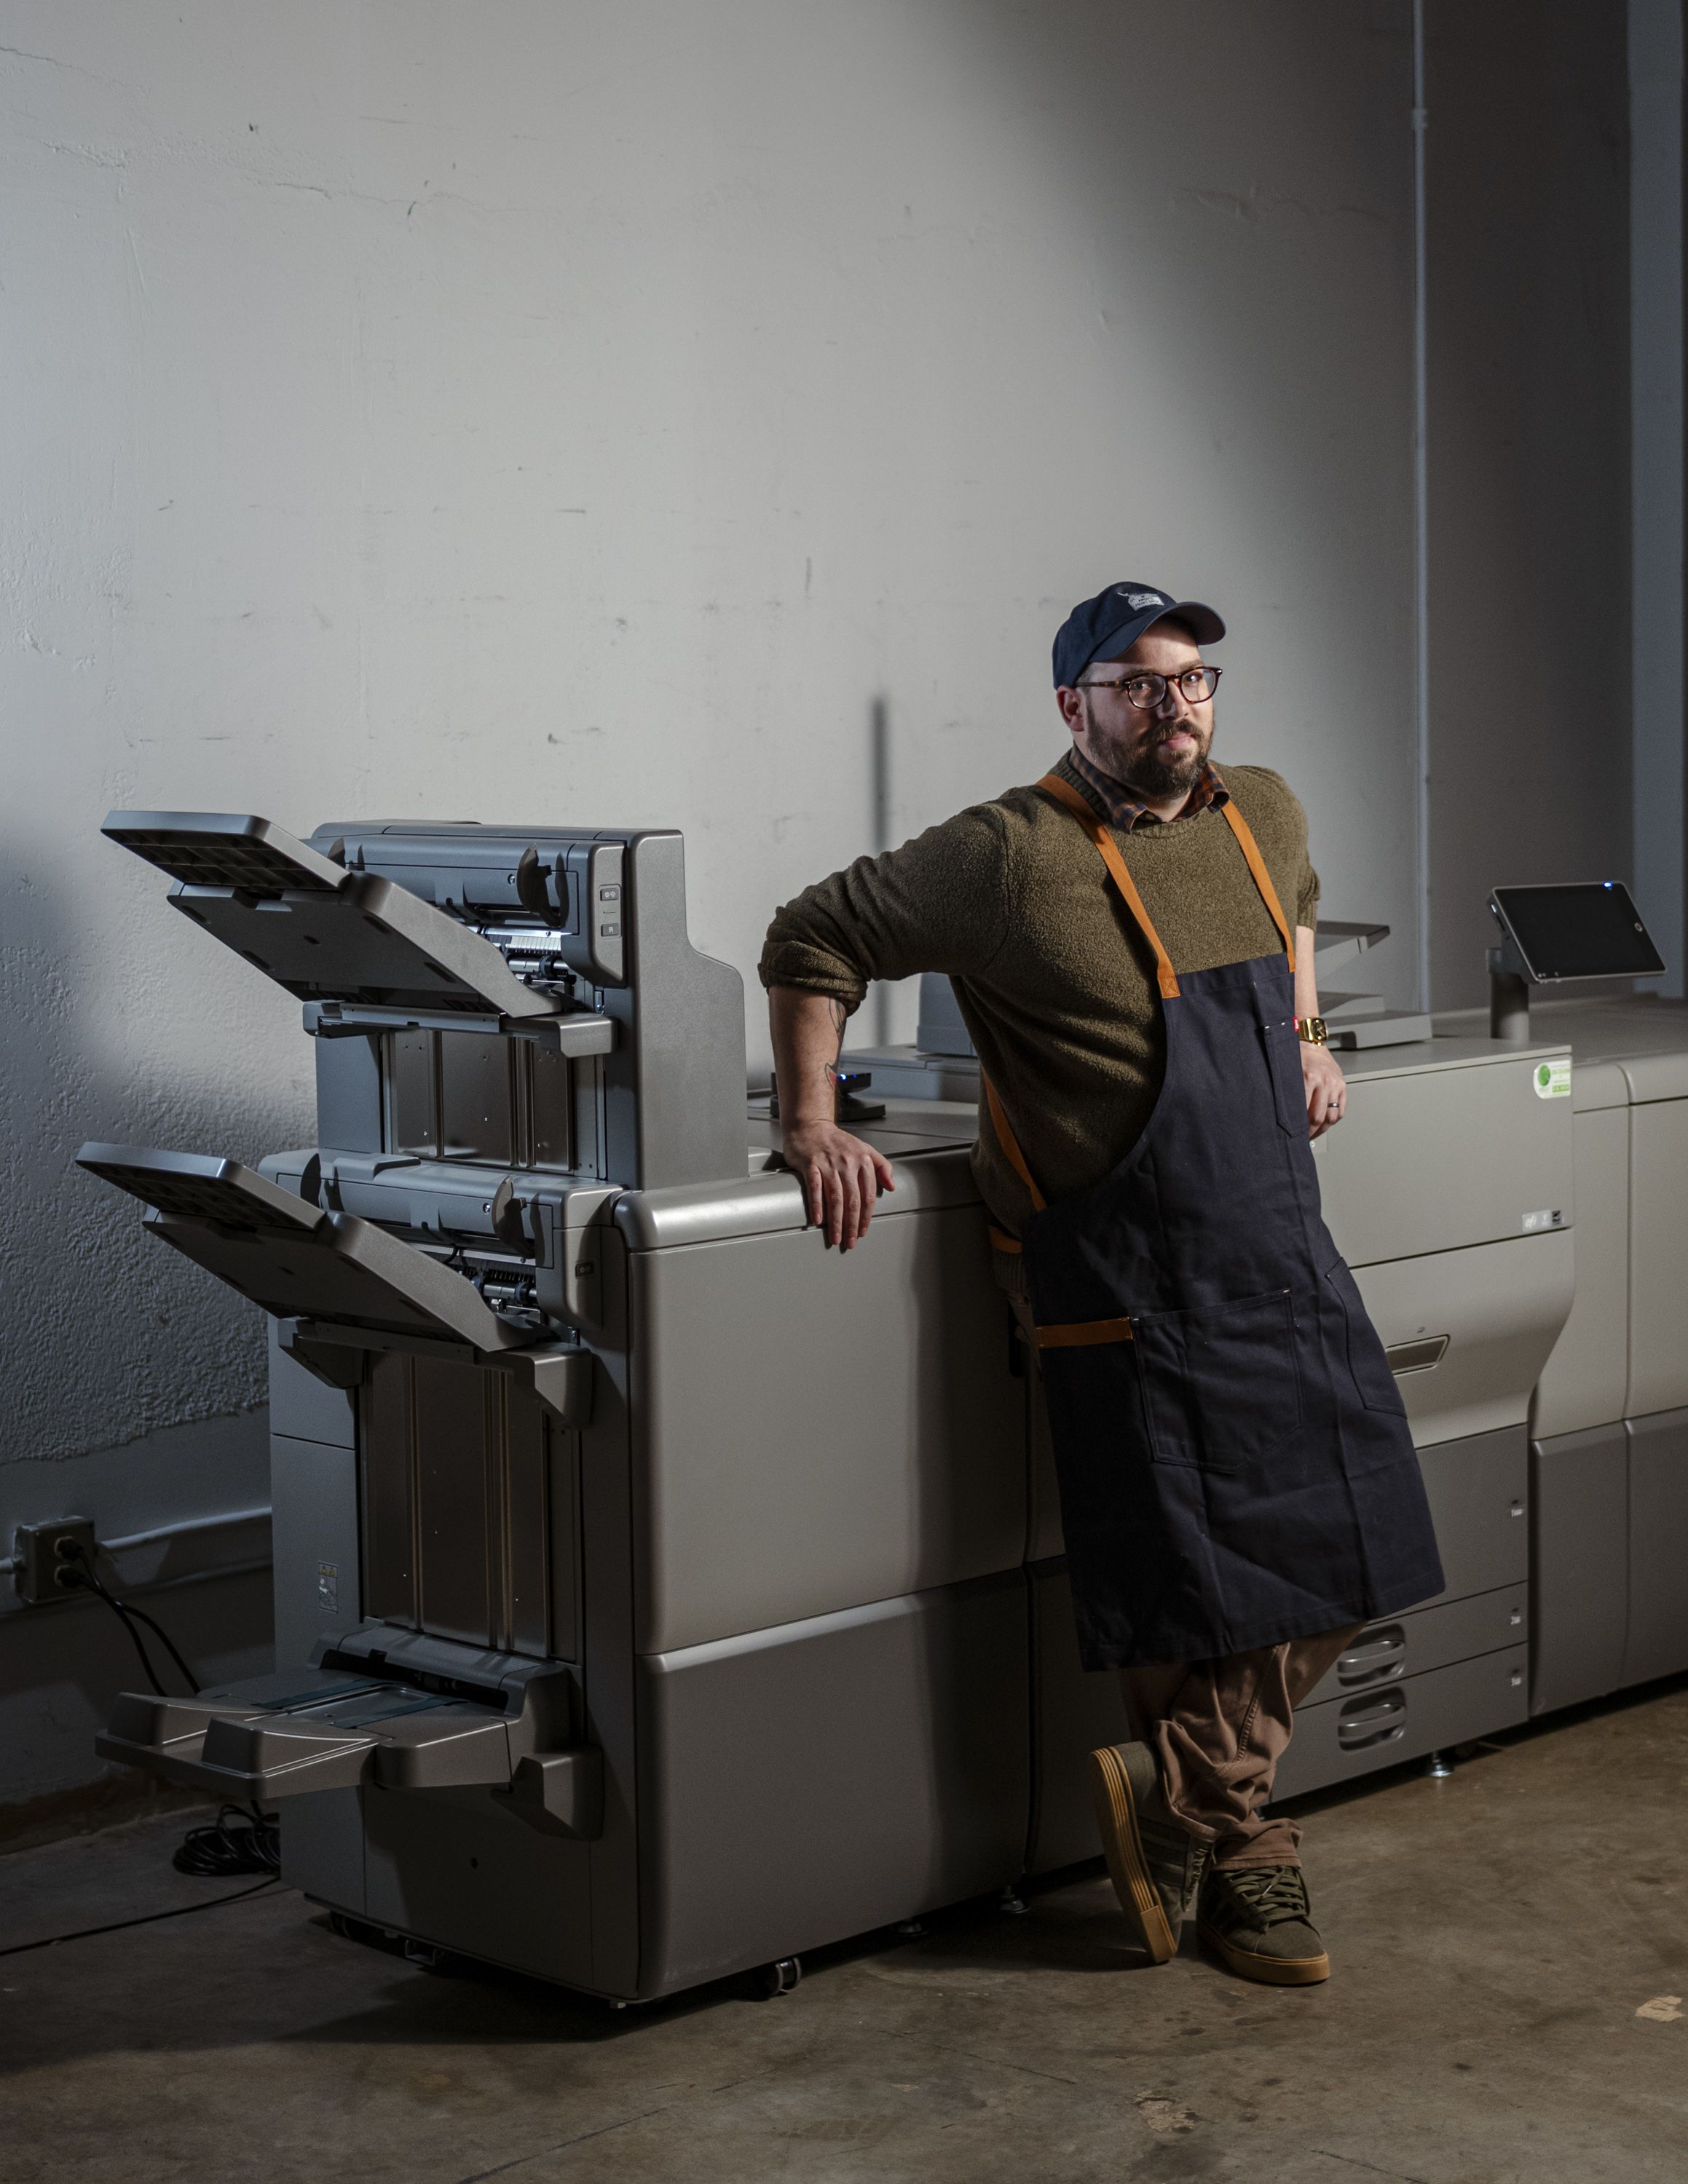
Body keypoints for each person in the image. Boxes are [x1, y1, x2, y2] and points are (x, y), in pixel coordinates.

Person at [760, 580, 1443, 1987]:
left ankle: (1178, 1799)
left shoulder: (1264, 807)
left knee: (1363, 1533)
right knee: (1174, 1575)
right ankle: (1245, 1860)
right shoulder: (1007, 855)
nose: (1172, 705)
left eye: (1190, 679)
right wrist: (811, 1121)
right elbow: (811, 937)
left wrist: (1307, 1030)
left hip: (1271, 1241)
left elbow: (1297, 915)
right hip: (1114, 1260)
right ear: (1072, 704)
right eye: (1135, 684)